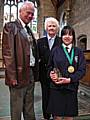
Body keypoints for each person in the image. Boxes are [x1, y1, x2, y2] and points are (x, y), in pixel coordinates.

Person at [2, 1, 39, 120]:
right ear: (20, 12)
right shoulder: (11, 27)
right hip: (18, 74)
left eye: (32, 14)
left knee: (29, 106)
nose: (30, 16)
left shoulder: (28, 30)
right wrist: (12, 77)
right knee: (17, 108)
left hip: (30, 73)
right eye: (28, 13)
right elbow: (8, 54)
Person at [47, 25, 86, 120]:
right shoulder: (55, 50)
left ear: (73, 37)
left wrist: (69, 80)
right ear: (61, 36)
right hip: (56, 88)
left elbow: (82, 70)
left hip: (71, 88)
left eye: (70, 34)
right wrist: (51, 74)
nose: (67, 37)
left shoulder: (79, 52)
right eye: (64, 34)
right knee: (57, 116)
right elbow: (49, 67)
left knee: (69, 117)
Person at [37, 17, 61, 120]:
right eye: (49, 26)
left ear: (57, 28)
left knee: (56, 96)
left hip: (58, 74)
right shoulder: (40, 41)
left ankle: (56, 116)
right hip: (44, 74)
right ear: (46, 28)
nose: (51, 28)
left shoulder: (61, 41)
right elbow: (37, 58)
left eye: (54, 26)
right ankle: (46, 116)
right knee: (46, 96)